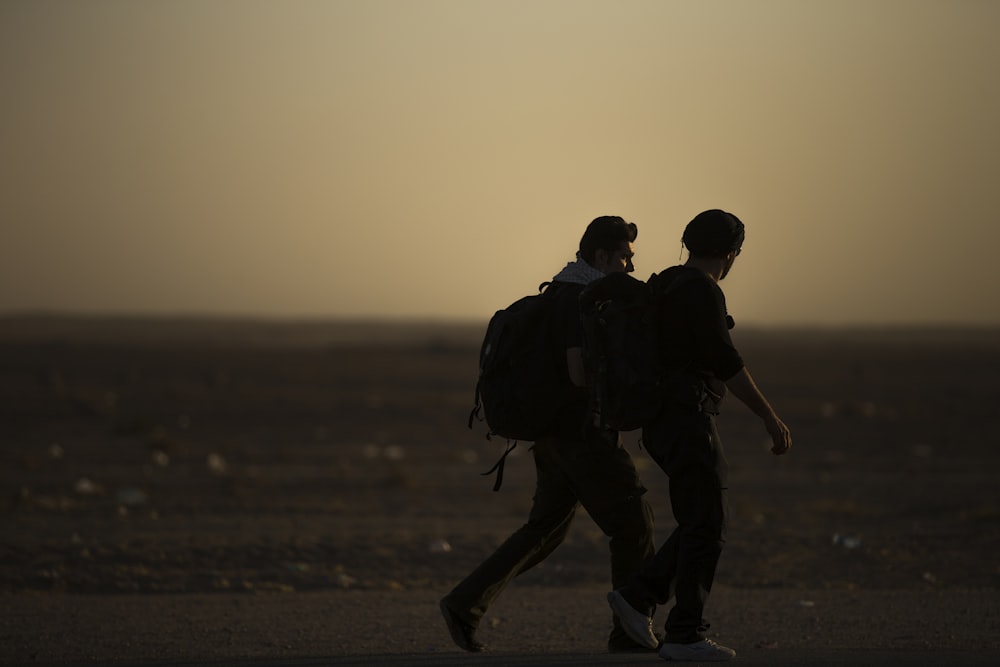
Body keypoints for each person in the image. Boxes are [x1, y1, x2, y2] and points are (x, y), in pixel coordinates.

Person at [440, 216, 657, 653]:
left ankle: (465, 604)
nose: (630, 268)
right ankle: (629, 632)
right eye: (624, 258)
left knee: (545, 529)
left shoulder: (560, 290)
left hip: (553, 436)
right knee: (633, 524)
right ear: (599, 256)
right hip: (581, 435)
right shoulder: (580, 300)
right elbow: (578, 374)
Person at [606, 209, 793, 662]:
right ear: (731, 253)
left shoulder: (665, 283)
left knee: (702, 520)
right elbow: (725, 361)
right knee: (708, 523)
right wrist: (769, 417)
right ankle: (683, 633)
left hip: (660, 422)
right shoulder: (702, 291)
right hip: (687, 420)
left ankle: (639, 598)